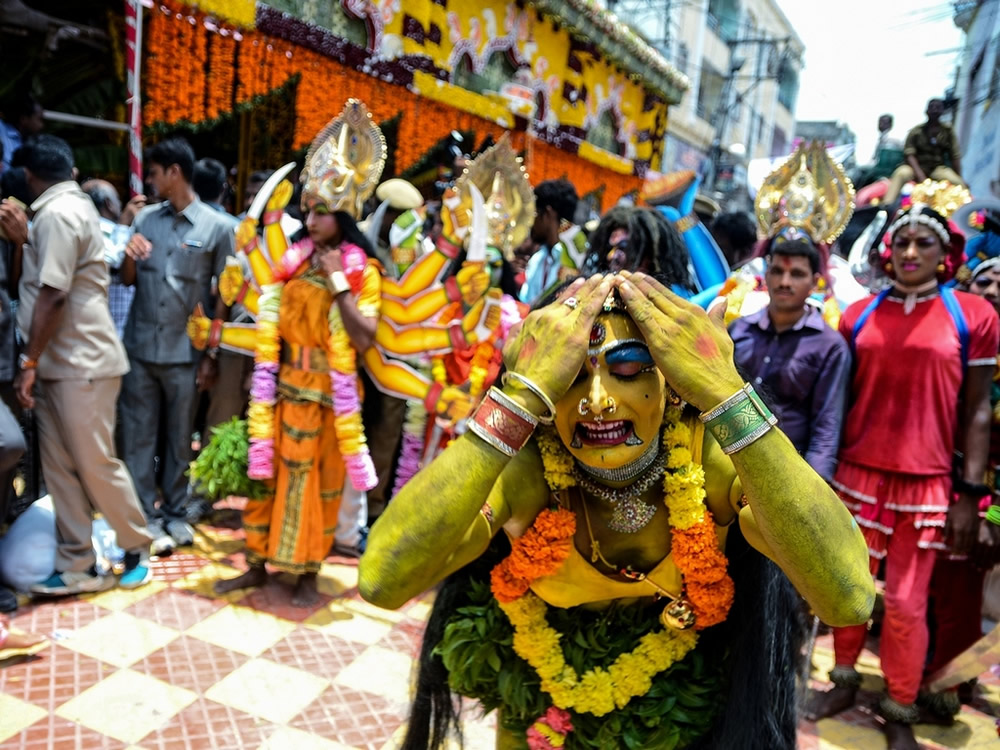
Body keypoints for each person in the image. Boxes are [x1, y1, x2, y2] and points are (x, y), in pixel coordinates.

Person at [360, 213, 874, 747]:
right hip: (538, 709)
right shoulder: (532, 470)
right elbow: (382, 580)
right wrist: (516, 396)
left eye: (627, 370)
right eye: (571, 375)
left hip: (678, 718)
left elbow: (849, 599)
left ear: (673, 384)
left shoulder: (712, 465)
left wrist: (725, 392)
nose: (598, 400)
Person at [806, 204, 998, 750]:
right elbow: (837, 404)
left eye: (924, 243)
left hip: (928, 483)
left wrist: (972, 496)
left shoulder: (973, 316)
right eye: (902, 242)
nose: (911, 253)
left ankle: (899, 706)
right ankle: (842, 681)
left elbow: (978, 411)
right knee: (849, 589)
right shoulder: (859, 314)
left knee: (910, 605)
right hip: (856, 476)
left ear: (946, 255)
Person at [212, 99, 383, 606]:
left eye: (322, 211)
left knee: (317, 487)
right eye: (307, 208)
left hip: (330, 400)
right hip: (282, 391)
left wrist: (336, 284)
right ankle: (258, 564)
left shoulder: (360, 272)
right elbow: (271, 325)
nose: (310, 219)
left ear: (345, 216)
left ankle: (308, 574)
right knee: (267, 479)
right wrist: (258, 377)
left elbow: (366, 337)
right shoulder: (290, 265)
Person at [9, 135, 153, 595]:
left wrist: (28, 360)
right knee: (60, 468)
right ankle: (78, 563)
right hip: (61, 362)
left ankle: (136, 547)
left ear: (29, 177)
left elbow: (54, 293)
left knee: (93, 463)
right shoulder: (65, 210)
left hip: (80, 361)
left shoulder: (58, 213)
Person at [120, 138, 234, 555]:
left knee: (179, 438)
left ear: (174, 172)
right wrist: (130, 255)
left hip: (186, 354)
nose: (150, 181)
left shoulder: (218, 227)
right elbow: (128, 279)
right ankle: (141, 517)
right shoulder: (145, 220)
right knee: (137, 437)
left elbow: (226, 293)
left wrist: (211, 354)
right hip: (140, 349)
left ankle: (175, 512)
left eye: (154, 172)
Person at [922, 212, 1000, 719]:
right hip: (945, 485)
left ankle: (951, 686)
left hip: (988, 500)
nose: (993, 287)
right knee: (937, 593)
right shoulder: (958, 345)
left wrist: (994, 516)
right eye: (985, 279)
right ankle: (933, 682)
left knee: (968, 600)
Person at [729, 239, 851, 482]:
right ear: (766, 275)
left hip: (789, 473)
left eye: (796, 274)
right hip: (728, 463)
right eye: (777, 271)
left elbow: (827, 424)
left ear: (815, 282)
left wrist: (812, 490)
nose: (784, 282)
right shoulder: (738, 331)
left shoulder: (829, 346)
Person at [81, 179, 146, 338]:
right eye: (118, 200)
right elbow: (112, 260)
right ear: (109, 204)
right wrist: (124, 225)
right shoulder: (96, 229)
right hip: (107, 329)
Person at [884, 100, 964, 204]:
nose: (935, 110)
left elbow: (955, 156)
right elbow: (910, 155)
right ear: (926, 111)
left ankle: (966, 214)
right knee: (901, 173)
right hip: (914, 168)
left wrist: (958, 176)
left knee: (958, 183)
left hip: (936, 168)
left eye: (938, 107)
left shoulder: (948, 131)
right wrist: (921, 177)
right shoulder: (916, 131)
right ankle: (885, 206)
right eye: (932, 107)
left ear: (943, 111)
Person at [519, 179, 580, 305]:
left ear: (548, 214)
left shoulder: (575, 259)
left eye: (534, 213)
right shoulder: (538, 259)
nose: (531, 222)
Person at [0, 94, 44, 174]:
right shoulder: (1, 130)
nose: (41, 125)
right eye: (39, 119)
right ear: (24, 119)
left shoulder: (29, 144)